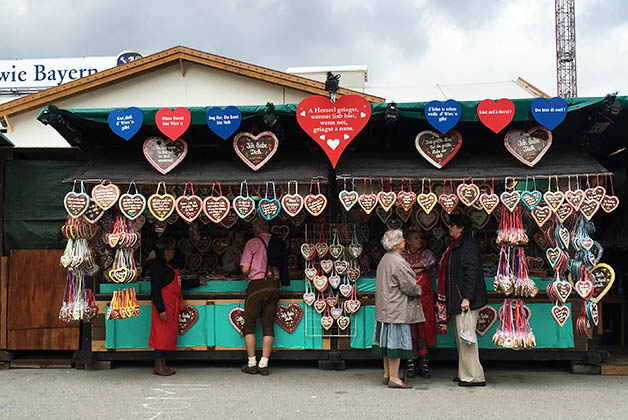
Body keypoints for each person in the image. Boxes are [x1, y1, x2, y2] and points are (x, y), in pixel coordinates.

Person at [438, 213, 488, 387]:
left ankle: (473, 376)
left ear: (461, 228)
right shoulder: (458, 245)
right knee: (462, 338)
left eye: (452, 225)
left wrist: (466, 297)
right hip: (459, 298)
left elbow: (470, 272)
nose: (449, 227)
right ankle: (465, 373)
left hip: (464, 299)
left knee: (466, 337)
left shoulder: (466, 246)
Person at [372, 229, 424, 389]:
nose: (404, 241)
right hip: (396, 308)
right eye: (401, 239)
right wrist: (418, 290)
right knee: (394, 345)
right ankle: (394, 378)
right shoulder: (398, 262)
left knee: (386, 345)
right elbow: (409, 286)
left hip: (385, 308)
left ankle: (387, 374)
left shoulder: (385, 259)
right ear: (396, 244)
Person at [146, 237, 204, 376]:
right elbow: (155, 291)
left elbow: (180, 284)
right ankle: (158, 365)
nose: (173, 252)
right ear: (165, 252)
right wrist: (161, 310)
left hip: (171, 306)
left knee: (166, 337)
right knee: (161, 336)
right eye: (172, 250)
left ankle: (162, 364)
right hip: (164, 307)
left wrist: (197, 282)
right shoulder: (158, 267)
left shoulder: (168, 266)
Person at [239, 218, 288, 375]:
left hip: (257, 286)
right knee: (268, 325)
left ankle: (252, 363)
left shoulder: (252, 243)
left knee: (250, 324)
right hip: (274, 285)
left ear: (255, 228)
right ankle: (264, 364)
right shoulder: (278, 242)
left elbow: (245, 269)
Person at [403, 229, 437, 378]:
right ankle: (411, 364)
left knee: (424, 329)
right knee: (410, 331)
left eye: (421, 238)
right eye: (415, 238)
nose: (419, 241)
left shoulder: (427, 254)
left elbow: (425, 265)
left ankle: (424, 364)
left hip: (425, 298)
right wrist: (416, 267)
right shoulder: (402, 255)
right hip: (408, 299)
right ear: (408, 241)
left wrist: (413, 267)